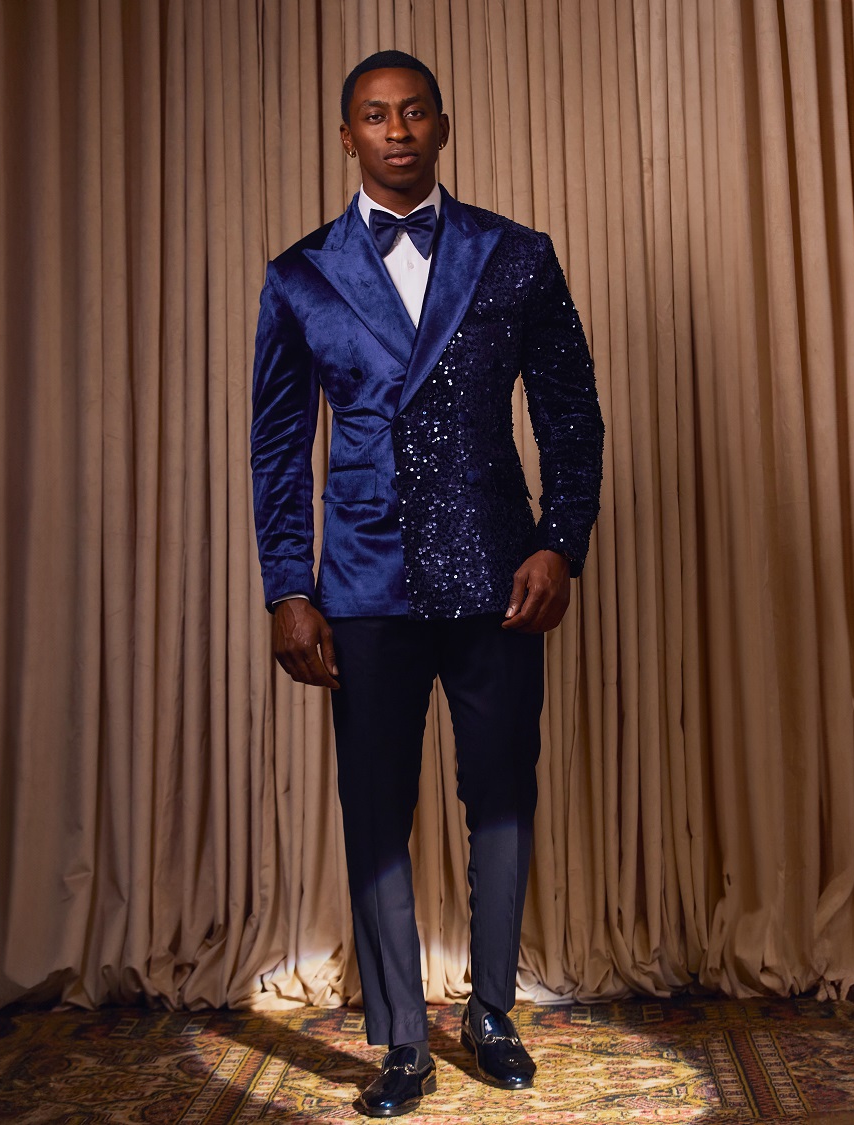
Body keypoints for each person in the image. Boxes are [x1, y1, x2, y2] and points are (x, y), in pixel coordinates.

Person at [251, 49, 603, 1118]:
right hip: (363, 582)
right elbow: (278, 450)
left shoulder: (516, 254)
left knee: (501, 795)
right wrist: (288, 587)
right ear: (346, 136)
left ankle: (491, 1013)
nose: (396, 131)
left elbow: (571, 415)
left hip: (499, 572)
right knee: (374, 808)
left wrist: (560, 543)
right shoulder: (300, 274)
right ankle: (403, 1038)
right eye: (375, 116)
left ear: (442, 127)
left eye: (413, 113)